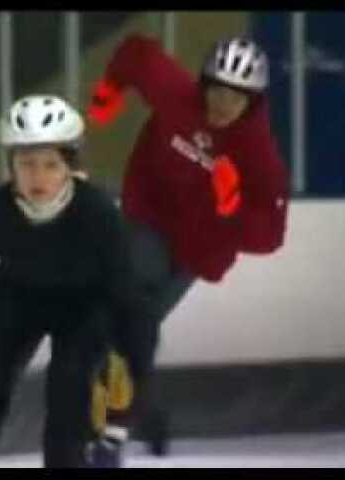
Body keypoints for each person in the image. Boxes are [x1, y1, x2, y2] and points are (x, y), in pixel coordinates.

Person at [84, 35, 291, 467]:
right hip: (151, 220)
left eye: (235, 98)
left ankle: (145, 415)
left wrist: (232, 208)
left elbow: (271, 235)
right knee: (126, 317)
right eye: (216, 90)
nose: (221, 104)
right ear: (202, 84)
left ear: (252, 104)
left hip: (198, 252)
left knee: (133, 333)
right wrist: (110, 90)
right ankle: (110, 434)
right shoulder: (177, 94)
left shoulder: (259, 155)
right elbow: (136, 53)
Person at [0, 94, 140, 468]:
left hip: (83, 304)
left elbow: (125, 293)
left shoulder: (98, 213)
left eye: (50, 165)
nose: (38, 177)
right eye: (26, 164)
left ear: (70, 167)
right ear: (10, 166)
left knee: (67, 412)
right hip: (16, 297)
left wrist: (133, 374)